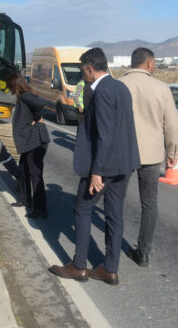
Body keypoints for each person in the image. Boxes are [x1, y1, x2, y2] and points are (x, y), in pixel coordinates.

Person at [48, 47, 140, 285]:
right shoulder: (121, 87)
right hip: (124, 163)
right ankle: (110, 269)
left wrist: (97, 171)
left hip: (105, 165)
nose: (83, 76)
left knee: (82, 208)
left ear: (90, 68)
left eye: (83, 71)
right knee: (114, 213)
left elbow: (105, 134)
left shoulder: (102, 92)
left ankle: (79, 265)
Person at [119, 47, 178, 267]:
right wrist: (172, 153)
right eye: (153, 64)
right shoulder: (162, 88)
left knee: (117, 199)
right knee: (150, 204)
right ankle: (143, 252)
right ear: (149, 64)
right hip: (152, 155)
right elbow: (172, 126)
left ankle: (113, 244)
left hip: (123, 152)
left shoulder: (119, 84)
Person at [6, 72, 50, 219]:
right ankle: (25, 199)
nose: (9, 90)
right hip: (30, 141)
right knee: (23, 169)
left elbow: (40, 104)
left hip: (36, 140)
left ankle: (40, 209)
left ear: (15, 85)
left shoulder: (25, 95)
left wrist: (36, 119)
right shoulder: (23, 97)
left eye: (10, 87)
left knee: (35, 175)